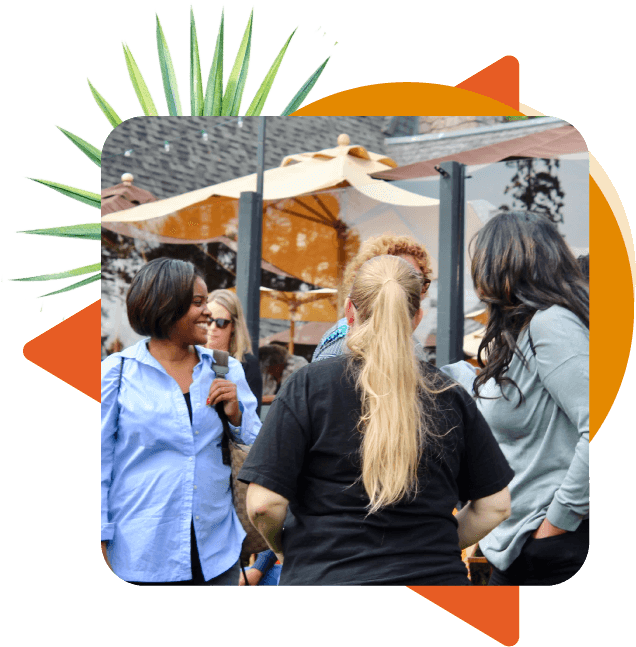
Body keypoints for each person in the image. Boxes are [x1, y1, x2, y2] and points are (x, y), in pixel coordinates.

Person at [237, 255, 514, 586]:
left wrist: (288, 550)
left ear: (350, 311)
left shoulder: (308, 386)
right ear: (416, 317)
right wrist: (435, 547)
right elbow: (495, 506)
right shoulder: (450, 394)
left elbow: (263, 506)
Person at [101, 258, 261, 585]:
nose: (209, 313)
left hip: (216, 551)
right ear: (166, 305)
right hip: (141, 553)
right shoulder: (116, 373)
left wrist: (236, 415)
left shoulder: (224, 367)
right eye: (198, 303)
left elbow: (259, 447)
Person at [456, 210, 589, 586]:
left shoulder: (552, 325)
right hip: (520, 547)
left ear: (503, 263)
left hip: (551, 549)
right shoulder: (523, 332)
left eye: (481, 261)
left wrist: (557, 522)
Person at [311, 233, 432, 363]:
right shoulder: (342, 345)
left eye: (416, 279)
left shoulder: (413, 345)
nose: (407, 286)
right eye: (396, 276)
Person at [206, 289, 263, 417]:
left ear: (233, 327)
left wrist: (234, 411)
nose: (213, 327)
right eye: (208, 320)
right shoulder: (190, 356)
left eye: (221, 323)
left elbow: (252, 417)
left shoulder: (247, 363)